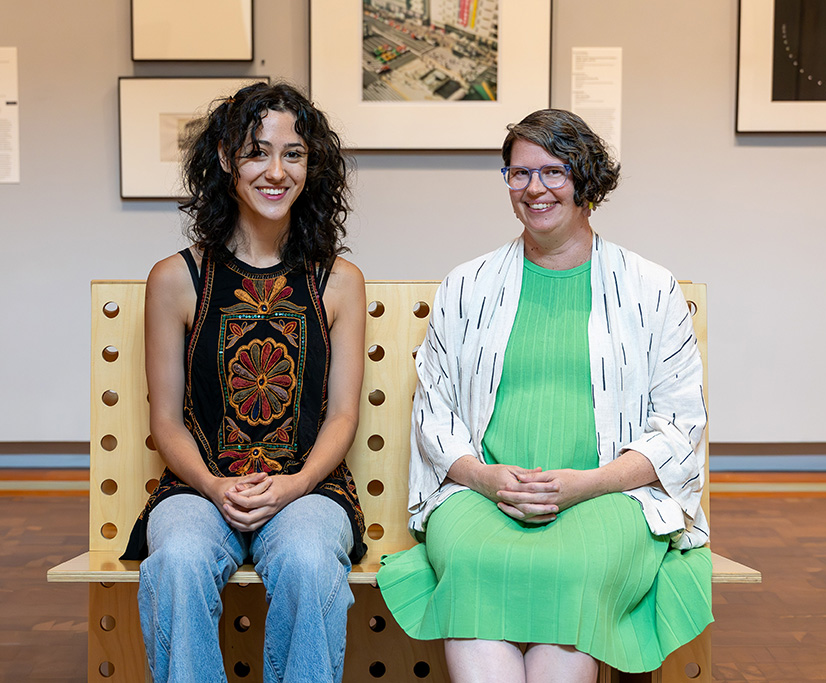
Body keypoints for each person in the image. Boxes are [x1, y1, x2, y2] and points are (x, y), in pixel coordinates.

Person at [377, 109, 713, 682]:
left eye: (553, 171)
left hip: (611, 497)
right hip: (482, 496)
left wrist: (587, 484)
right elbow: (434, 410)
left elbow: (680, 426)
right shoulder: (466, 285)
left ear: (587, 180)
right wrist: (485, 478)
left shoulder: (651, 288)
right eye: (519, 173)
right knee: (475, 563)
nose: (535, 188)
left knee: (574, 568)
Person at [121, 82, 367, 683]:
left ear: (312, 165)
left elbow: (342, 415)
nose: (276, 171)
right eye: (257, 152)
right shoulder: (175, 279)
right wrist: (212, 483)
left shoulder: (339, 280)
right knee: (176, 560)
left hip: (309, 489)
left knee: (310, 561)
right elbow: (166, 421)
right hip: (198, 487)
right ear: (226, 160)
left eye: (293, 154)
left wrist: (296, 484)